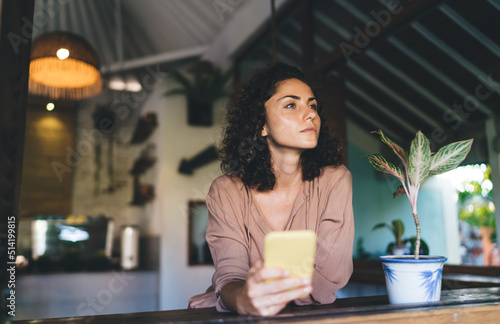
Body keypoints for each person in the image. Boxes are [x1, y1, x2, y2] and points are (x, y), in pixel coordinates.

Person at [188, 62, 354, 316]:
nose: (310, 114)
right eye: (291, 105)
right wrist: (237, 295)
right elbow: (231, 273)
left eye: (312, 105)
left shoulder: (335, 180)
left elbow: (328, 278)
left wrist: (228, 296)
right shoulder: (226, 191)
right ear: (260, 125)